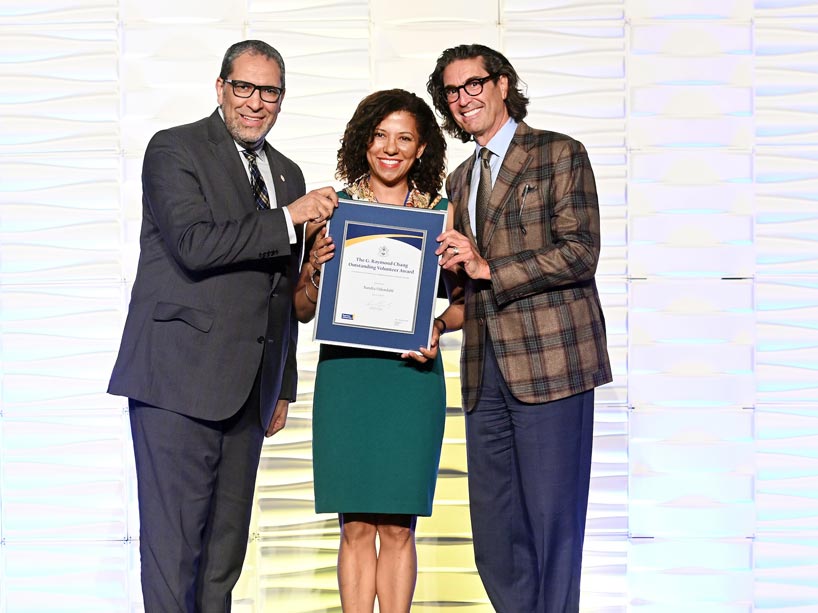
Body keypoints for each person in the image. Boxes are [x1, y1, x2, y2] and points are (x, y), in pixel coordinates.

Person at [107, 39, 338, 612]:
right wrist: (289, 219)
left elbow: (280, 288)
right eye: (243, 87)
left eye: (269, 92)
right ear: (220, 88)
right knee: (173, 552)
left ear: (282, 98)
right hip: (177, 385)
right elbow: (193, 245)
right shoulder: (174, 149)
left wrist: (281, 383)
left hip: (248, 392)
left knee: (222, 561)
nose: (255, 102)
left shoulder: (287, 173)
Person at [426, 44, 613, 613]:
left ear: (503, 84)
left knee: (552, 529)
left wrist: (488, 267)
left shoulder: (559, 153)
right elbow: (462, 292)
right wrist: (425, 302)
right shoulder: (458, 181)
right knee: (496, 537)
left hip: (552, 367)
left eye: (475, 83)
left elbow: (581, 252)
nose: (465, 98)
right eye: (453, 92)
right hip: (485, 377)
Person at [294, 89, 456, 613]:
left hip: (411, 379)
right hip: (348, 377)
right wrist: (316, 269)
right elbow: (300, 307)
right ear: (364, 142)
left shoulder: (443, 213)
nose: (391, 148)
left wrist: (435, 327)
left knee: (399, 526)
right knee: (356, 525)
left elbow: (467, 307)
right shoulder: (332, 210)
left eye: (404, 138)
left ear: (421, 148)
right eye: (381, 135)